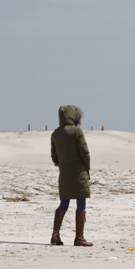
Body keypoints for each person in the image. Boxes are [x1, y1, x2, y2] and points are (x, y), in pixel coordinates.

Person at [50, 105, 93, 247]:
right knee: (81, 204)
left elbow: (54, 157)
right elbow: (85, 153)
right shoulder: (76, 132)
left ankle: (55, 235)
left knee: (64, 203)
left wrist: (62, 165)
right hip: (78, 173)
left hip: (64, 174)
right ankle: (79, 238)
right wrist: (87, 169)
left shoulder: (55, 134)